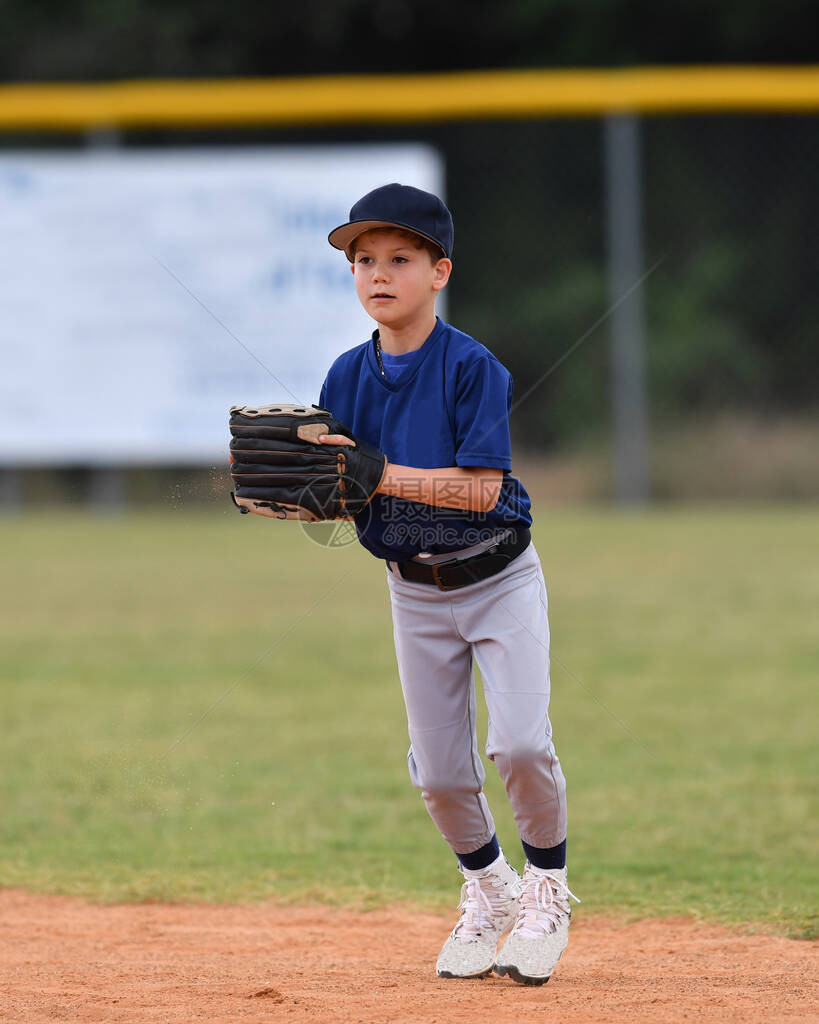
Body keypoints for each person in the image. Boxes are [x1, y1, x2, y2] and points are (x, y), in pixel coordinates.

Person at [319, 182, 578, 985]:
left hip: (498, 577)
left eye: (401, 258)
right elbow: (336, 493)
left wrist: (376, 472)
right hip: (411, 589)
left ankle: (546, 888)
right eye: (364, 259)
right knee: (437, 773)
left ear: (440, 272)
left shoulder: (473, 368)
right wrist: (285, 487)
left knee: (520, 744)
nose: (378, 273)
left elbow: (478, 490)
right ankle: (486, 890)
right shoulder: (344, 376)